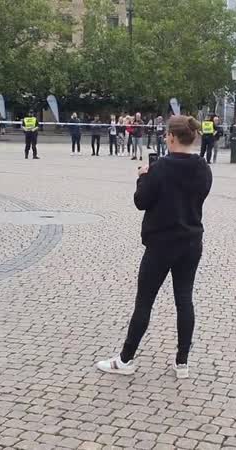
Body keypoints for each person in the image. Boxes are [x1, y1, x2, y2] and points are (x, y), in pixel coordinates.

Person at [95, 115, 212, 379]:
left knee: (145, 301)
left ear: (171, 137)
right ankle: (182, 361)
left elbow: (141, 201)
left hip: (161, 244)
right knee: (184, 300)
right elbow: (199, 195)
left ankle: (126, 359)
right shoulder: (203, 167)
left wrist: (142, 178)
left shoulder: (160, 167)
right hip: (191, 242)